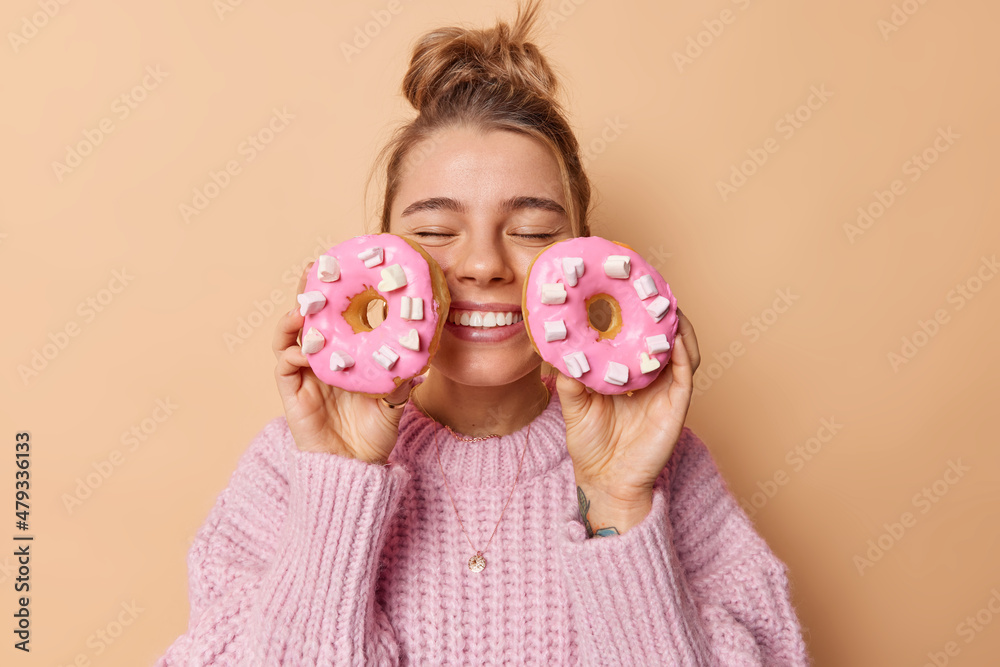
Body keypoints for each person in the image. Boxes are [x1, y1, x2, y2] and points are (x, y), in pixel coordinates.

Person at [156, 2, 810, 664]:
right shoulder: (289, 467)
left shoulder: (665, 465)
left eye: (530, 232)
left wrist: (616, 504)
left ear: (584, 256)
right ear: (382, 257)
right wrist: (340, 480)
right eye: (436, 232)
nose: (482, 265)